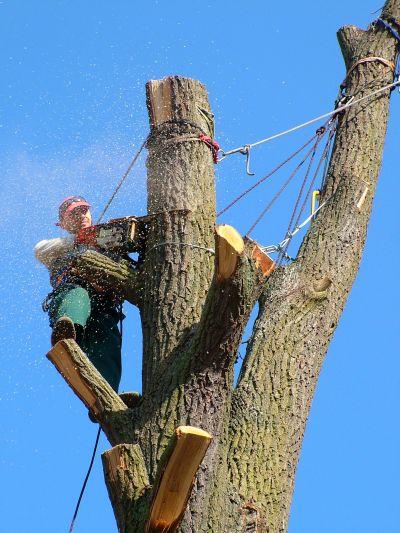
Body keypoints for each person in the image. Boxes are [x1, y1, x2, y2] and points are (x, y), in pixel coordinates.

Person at [35, 196, 123, 392]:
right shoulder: (57, 245)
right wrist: (80, 239)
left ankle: (109, 394)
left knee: (108, 341)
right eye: (75, 213)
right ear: (63, 223)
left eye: (84, 210)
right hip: (70, 296)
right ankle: (66, 329)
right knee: (78, 295)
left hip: (103, 308)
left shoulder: (107, 241)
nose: (82, 215)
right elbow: (40, 250)